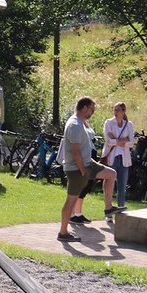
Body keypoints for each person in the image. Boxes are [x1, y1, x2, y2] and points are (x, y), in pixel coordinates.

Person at [57, 96, 118, 242]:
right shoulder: (75, 125)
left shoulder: (80, 122)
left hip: (87, 163)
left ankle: (108, 208)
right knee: (70, 201)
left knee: (111, 174)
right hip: (76, 168)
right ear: (84, 108)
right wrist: (83, 171)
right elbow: (75, 151)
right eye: (92, 109)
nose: (93, 112)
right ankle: (63, 233)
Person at [102, 101, 135, 212]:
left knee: (122, 187)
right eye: (114, 109)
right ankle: (109, 210)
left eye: (118, 110)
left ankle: (121, 209)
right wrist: (122, 140)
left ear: (123, 111)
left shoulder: (128, 124)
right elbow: (108, 140)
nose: (115, 112)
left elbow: (131, 142)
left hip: (124, 159)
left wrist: (117, 140)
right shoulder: (109, 123)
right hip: (112, 157)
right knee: (110, 185)